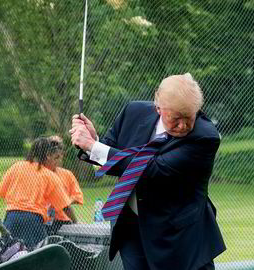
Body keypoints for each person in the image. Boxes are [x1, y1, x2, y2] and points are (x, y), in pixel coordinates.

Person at [70, 73, 226, 270]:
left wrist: (93, 146)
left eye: (190, 117)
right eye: (176, 118)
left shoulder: (205, 137)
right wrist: (94, 140)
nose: (184, 125)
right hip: (132, 229)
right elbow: (111, 155)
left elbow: (151, 169)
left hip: (179, 240)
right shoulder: (133, 112)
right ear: (158, 106)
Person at [0, 137, 72, 249]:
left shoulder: (16, 167)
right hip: (33, 220)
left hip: (11, 217)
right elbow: (65, 206)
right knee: (37, 254)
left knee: (9, 255)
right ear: (47, 155)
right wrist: (75, 222)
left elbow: (1, 192)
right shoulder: (49, 175)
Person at [46, 135, 84, 235]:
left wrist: (64, 200)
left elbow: (77, 196)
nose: (59, 159)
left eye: (60, 155)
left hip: (63, 219)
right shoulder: (41, 173)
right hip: (44, 219)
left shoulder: (67, 174)